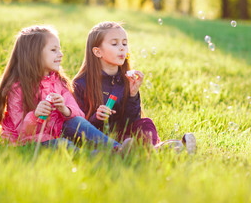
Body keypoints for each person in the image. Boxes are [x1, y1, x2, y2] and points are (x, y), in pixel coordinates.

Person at [0, 25, 125, 151]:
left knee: (77, 122)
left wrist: (65, 110)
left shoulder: (58, 81)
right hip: (30, 141)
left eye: (59, 49)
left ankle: (116, 148)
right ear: (34, 55)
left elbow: (79, 114)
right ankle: (95, 157)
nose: (61, 54)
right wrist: (35, 116)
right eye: (54, 50)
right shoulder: (16, 89)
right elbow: (21, 131)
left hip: (57, 132)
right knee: (63, 145)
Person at [72, 21, 196, 153]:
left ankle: (153, 150)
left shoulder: (125, 79)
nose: (122, 48)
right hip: (102, 137)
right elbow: (77, 126)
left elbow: (132, 121)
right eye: (115, 44)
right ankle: (166, 149)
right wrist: (97, 117)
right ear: (97, 52)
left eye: (124, 44)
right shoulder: (81, 83)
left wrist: (133, 94)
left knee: (145, 123)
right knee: (128, 142)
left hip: (124, 137)